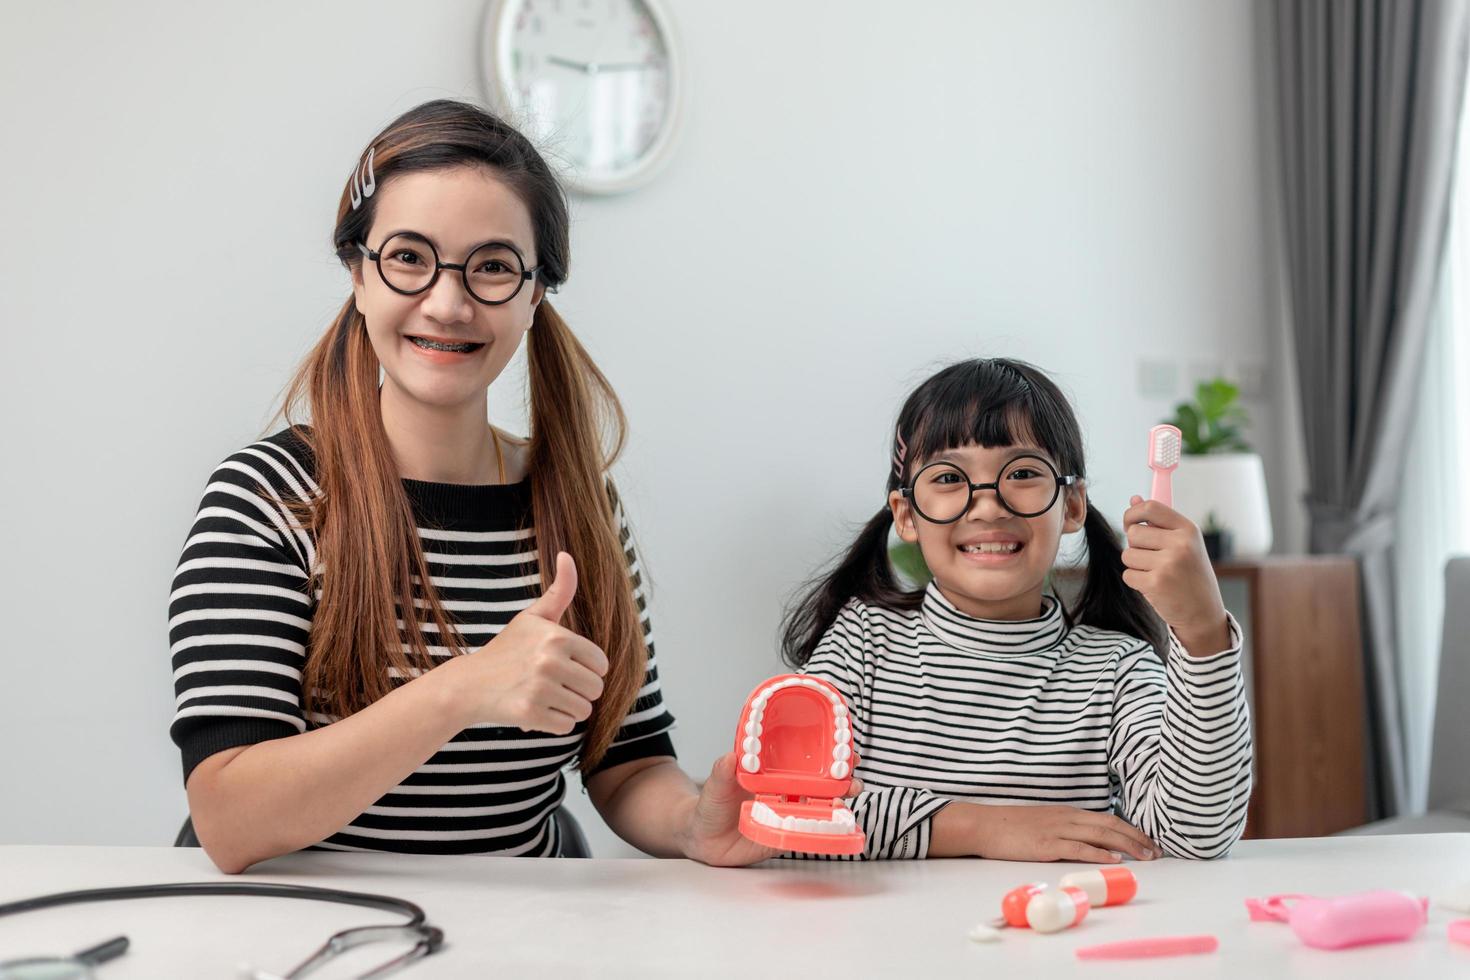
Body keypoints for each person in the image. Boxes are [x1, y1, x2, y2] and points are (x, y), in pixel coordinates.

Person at [169, 99, 854, 873]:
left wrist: (696, 823)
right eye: (408, 257)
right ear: (359, 274)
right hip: (307, 927)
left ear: (533, 295)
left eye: (492, 266)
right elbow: (229, 816)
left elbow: (626, 763)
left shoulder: (578, 502)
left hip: (524, 927)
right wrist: (463, 690)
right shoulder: (268, 496)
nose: (449, 302)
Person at [781, 357, 1251, 861]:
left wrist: (1204, 633)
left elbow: (1193, 838)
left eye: (1022, 473)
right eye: (947, 478)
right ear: (906, 514)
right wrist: (981, 828)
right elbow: (789, 812)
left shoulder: (1116, 669)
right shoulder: (861, 643)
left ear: (1072, 505)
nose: (988, 505)